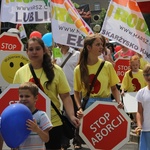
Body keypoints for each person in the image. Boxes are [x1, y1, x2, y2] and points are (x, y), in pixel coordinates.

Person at [13, 37, 80, 150]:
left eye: (38, 48)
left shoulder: (57, 70)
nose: (34, 52)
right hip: (28, 123)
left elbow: (65, 96)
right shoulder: (20, 72)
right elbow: (15, 98)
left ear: (43, 50)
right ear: (27, 52)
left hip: (52, 123)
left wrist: (71, 116)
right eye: (31, 49)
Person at [73, 34, 123, 144]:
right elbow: (76, 92)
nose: (101, 47)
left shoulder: (107, 66)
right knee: (93, 141)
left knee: (107, 140)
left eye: (102, 45)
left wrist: (119, 102)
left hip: (107, 104)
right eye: (97, 44)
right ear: (89, 47)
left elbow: (114, 88)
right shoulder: (79, 69)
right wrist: (79, 108)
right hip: (89, 105)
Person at [17, 82, 52, 150]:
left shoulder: (41, 115)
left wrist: (37, 129)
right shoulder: (17, 117)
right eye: (21, 96)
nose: (23, 99)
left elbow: (46, 139)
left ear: (35, 98)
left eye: (27, 96)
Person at [120, 55, 147, 128]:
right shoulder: (128, 73)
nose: (135, 66)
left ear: (139, 64)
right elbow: (124, 83)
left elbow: (146, 82)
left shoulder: (142, 73)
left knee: (141, 109)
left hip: (141, 94)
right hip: (131, 94)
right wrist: (122, 90)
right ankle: (135, 121)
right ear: (131, 65)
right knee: (133, 110)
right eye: (133, 65)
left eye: (136, 64)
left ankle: (140, 122)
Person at [135, 64, 150, 150]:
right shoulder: (141, 93)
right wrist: (139, 125)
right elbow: (139, 112)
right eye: (146, 75)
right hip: (146, 129)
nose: (149, 77)